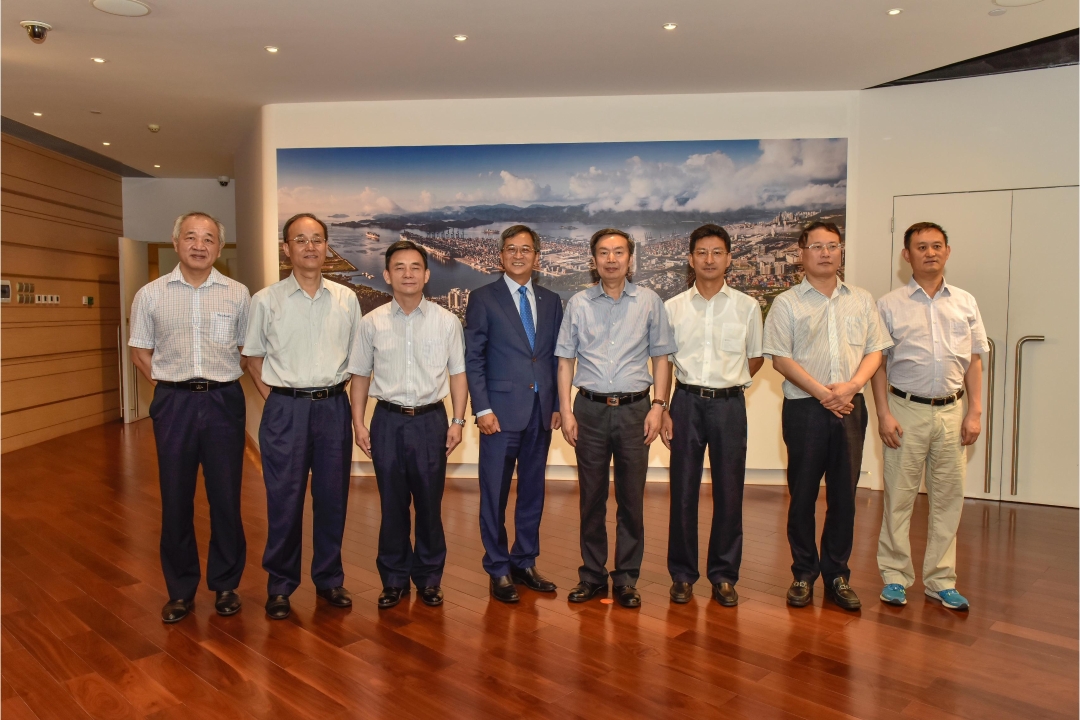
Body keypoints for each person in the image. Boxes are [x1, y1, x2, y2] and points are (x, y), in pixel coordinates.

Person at [762, 221, 892, 611]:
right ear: (801, 253)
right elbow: (780, 358)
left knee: (844, 496)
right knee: (801, 495)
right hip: (805, 409)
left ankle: (837, 573)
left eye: (832, 246)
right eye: (816, 246)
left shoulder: (862, 299)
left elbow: (876, 351)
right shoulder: (786, 303)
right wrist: (822, 393)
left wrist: (850, 387)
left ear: (841, 251)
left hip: (851, 407)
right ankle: (803, 572)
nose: (825, 253)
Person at [129, 212, 250, 623]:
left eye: (209, 239)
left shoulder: (237, 294)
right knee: (176, 499)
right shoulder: (151, 294)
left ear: (220, 247)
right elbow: (140, 352)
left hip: (223, 402)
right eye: (191, 237)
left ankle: (226, 584)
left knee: (226, 498)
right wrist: (165, 386)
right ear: (175, 241)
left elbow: (247, 352)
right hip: (175, 404)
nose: (200, 245)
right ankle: (180, 590)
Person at [243, 213, 362, 620]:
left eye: (317, 239)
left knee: (333, 498)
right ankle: (280, 586)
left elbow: (356, 360)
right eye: (300, 240)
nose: (310, 247)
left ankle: (329, 579)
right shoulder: (266, 300)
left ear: (327, 247)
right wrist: (278, 399)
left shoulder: (347, 299)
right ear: (286, 248)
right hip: (285, 410)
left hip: (333, 408)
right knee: (284, 499)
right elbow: (252, 357)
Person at [556, 228, 676, 608]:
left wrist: (659, 406)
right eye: (604, 253)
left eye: (619, 252)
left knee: (630, 499)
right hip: (588, 410)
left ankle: (626, 578)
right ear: (593, 260)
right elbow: (564, 361)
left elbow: (662, 358)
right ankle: (592, 576)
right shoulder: (577, 303)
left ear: (630, 258)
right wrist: (565, 409)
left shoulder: (650, 301)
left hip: (635, 411)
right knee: (590, 498)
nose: (611, 259)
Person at [872, 222, 987, 611]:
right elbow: (878, 366)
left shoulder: (965, 303)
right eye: (921, 247)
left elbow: (974, 362)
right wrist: (884, 414)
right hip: (905, 409)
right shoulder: (889, 304)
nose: (930, 252)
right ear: (907, 256)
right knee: (899, 498)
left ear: (948, 251)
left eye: (937, 246)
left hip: (953, 411)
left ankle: (941, 580)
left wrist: (975, 411)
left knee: (948, 498)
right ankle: (895, 577)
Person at [350, 240, 468, 610]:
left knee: (431, 506)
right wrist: (359, 422)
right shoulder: (371, 323)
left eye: (415, 267)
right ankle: (395, 579)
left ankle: (430, 578)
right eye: (399, 267)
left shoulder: (447, 322)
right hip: (387, 421)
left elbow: (458, 375)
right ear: (387, 275)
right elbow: (359, 376)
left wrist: (458, 420)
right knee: (393, 505)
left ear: (427, 275)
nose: (408, 274)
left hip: (432, 421)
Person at [660, 224, 763, 607]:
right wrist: (666, 407)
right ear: (690, 258)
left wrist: (729, 383)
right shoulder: (672, 308)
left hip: (729, 406)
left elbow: (755, 357)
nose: (709, 259)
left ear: (729, 259)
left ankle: (723, 575)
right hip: (685, 403)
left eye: (717, 252)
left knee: (729, 491)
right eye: (701, 252)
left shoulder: (747, 307)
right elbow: (665, 364)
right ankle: (683, 575)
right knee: (682, 491)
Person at [465, 225, 562, 603]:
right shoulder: (482, 298)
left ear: (537, 257)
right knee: (494, 492)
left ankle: (524, 561)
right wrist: (482, 408)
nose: (518, 255)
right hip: (499, 415)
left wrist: (555, 404)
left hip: (540, 413)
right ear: (500, 256)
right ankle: (498, 568)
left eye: (526, 249)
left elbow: (554, 358)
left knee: (532, 493)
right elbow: (473, 358)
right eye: (511, 249)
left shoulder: (552, 300)